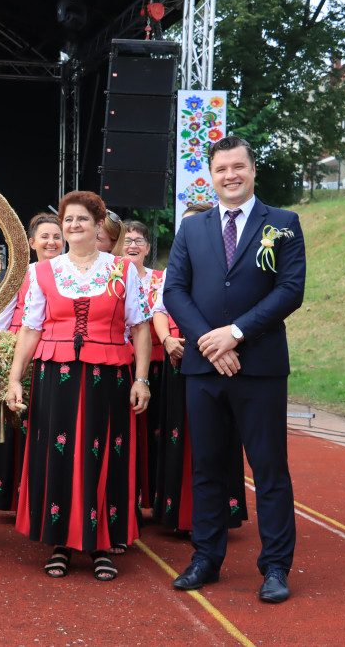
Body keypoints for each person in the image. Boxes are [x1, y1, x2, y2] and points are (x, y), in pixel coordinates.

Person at [164, 136, 306, 603]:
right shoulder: (192, 229)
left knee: (269, 471)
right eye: (222, 168)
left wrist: (236, 334)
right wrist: (211, 340)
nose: (230, 175)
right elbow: (175, 293)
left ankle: (276, 568)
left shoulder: (283, 224)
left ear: (251, 170)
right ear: (211, 173)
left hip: (259, 368)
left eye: (238, 167)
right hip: (205, 371)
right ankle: (206, 558)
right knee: (207, 469)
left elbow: (289, 290)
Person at [5, 190, 151, 582]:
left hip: (110, 379)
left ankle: (102, 544)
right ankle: (61, 542)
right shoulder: (42, 273)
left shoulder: (123, 269)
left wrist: (141, 379)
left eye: (81, 219)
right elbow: (31, 329)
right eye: (68, 219)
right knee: (59, 457)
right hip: (57, 377)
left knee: (105, 457)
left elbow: (139, 328)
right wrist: (15, 378)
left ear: (98, 224)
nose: (72, 226)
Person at [149, 204, 248, 533]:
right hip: (182, 358)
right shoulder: (173, 271)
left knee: (222, 438)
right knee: (178, 436)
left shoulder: (234, 265)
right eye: (186, 229)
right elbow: (161, 308)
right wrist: (166, 341)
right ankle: (178, 513)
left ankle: (220, 516)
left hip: (226, 358)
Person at [0, 213, 64, 512]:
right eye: (44, 237)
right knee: (16, 424)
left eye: (56, 236)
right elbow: (4, 318)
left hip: (54, 356)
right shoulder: (20, 275)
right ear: (32, 243)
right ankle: (12, 495)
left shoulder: (72, 273)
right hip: (18, 353)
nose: (51, 242)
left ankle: (42, 494)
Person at [122, 220, 162, 513]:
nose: (132, 245)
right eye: (126, 240)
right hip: (121, 364)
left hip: (159, 368)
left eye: (138, 241)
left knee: (157, 436)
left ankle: (157, 498)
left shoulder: (161, 279)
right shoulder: (108, 276)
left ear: (148, 248)